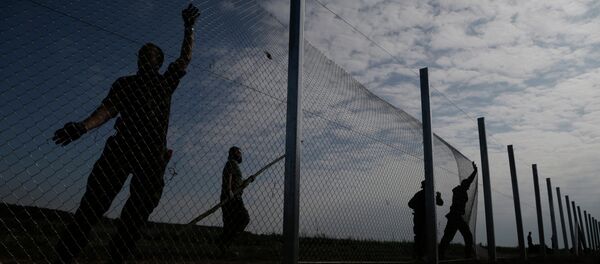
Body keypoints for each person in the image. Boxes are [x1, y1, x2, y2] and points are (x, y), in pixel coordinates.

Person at [51, 4, 200, 263]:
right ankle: (65, 257)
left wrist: (189, 28)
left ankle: (118, 256)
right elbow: (108, 109)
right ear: (139, 60)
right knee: (91, 207)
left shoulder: (165, 83)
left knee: (135, 215)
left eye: (151, 53)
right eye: (144, 53)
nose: (146, 55)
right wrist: (83, 127)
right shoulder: (126, 83)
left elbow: (185, 58)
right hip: (121, 149)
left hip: (151, 157)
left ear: (158, 62)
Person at [438, 162, 477, 259]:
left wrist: (475, 171)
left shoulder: (460, 190)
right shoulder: (460, 190)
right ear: (464, 185)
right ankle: (440, 254)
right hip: (455, 217)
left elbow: (469, 181)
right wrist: (474, 171)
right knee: (452, 236)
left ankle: (441, 254)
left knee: (458, 236)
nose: (468, 187)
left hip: (456, 217)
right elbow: (469, 181)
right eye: (467, 185)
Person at [220, 146, 250, 256]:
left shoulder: (235, 165)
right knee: (243, 218)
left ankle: (225, 246)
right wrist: (229, 191)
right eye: (238, 152)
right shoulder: (231, 163)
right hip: (231, 197)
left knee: (230, 223)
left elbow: (238, 183)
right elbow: (229, 176)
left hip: (234, 196)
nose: (240, 154)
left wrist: (246, 182)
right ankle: (225, 244)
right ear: (233, 153)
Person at [408, 180, 444, 259]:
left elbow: (410, 204)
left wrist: (417, 208)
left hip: (419, 218)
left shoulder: (419, 194)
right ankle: (422, 254)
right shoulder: (430, 194)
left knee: (420, 236)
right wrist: (438, 196)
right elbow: (440, 203)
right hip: (425, 218)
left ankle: (419, 254)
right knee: (425, 236)